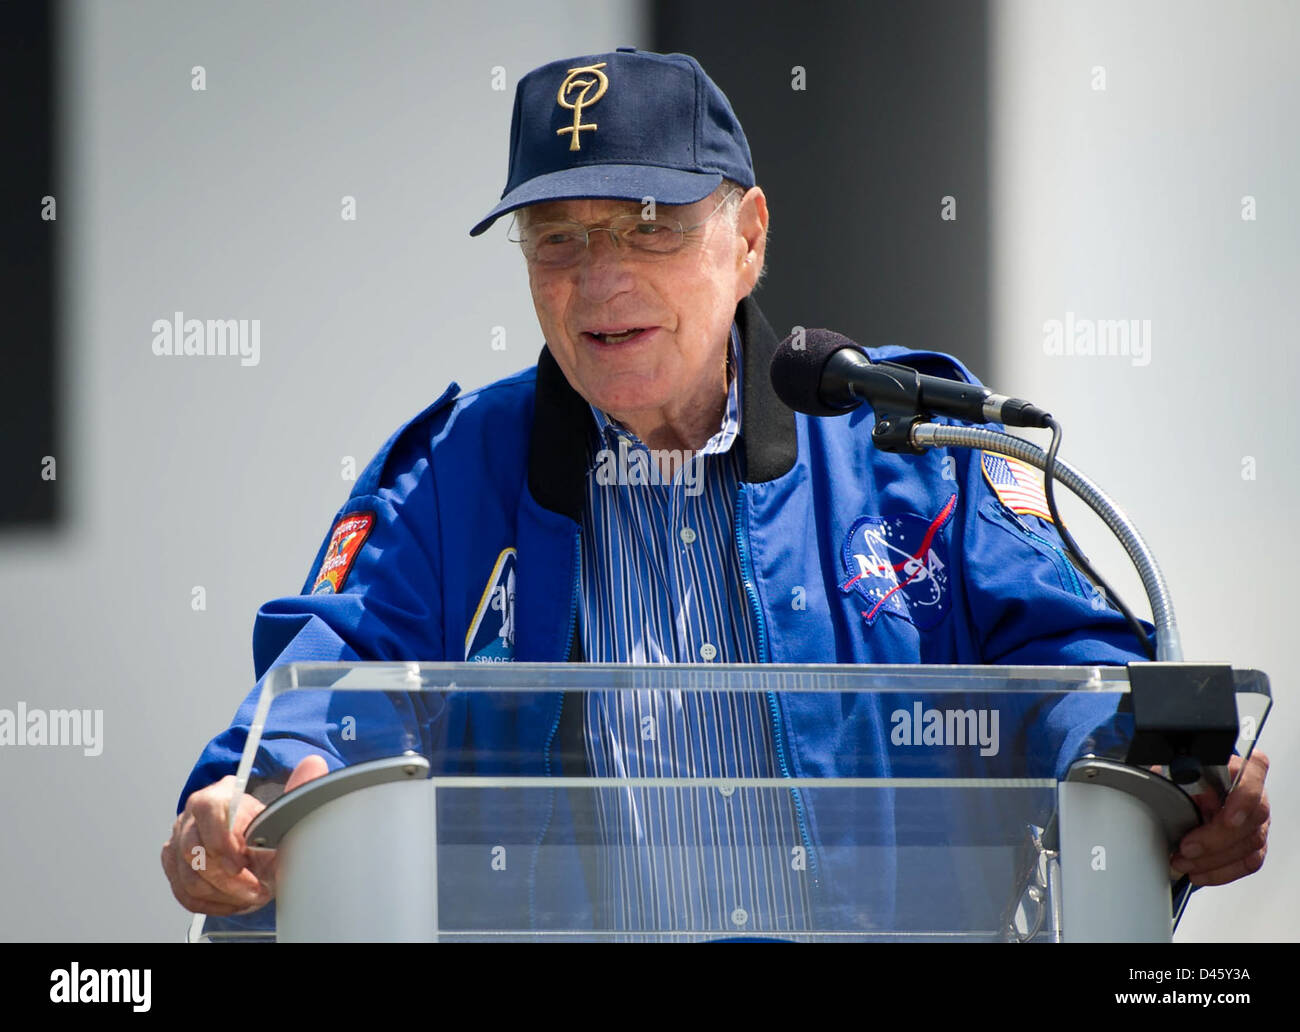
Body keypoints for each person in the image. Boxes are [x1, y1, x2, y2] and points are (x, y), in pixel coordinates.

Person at [161, 47, 1269, 935]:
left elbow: (1068, 668)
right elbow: (328, 680)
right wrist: (239, 798)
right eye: (558, 240)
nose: (601, 279)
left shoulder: (906, 434)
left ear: (746, 240)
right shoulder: (462, 463)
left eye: (651, 227)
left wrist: (1158, 775)